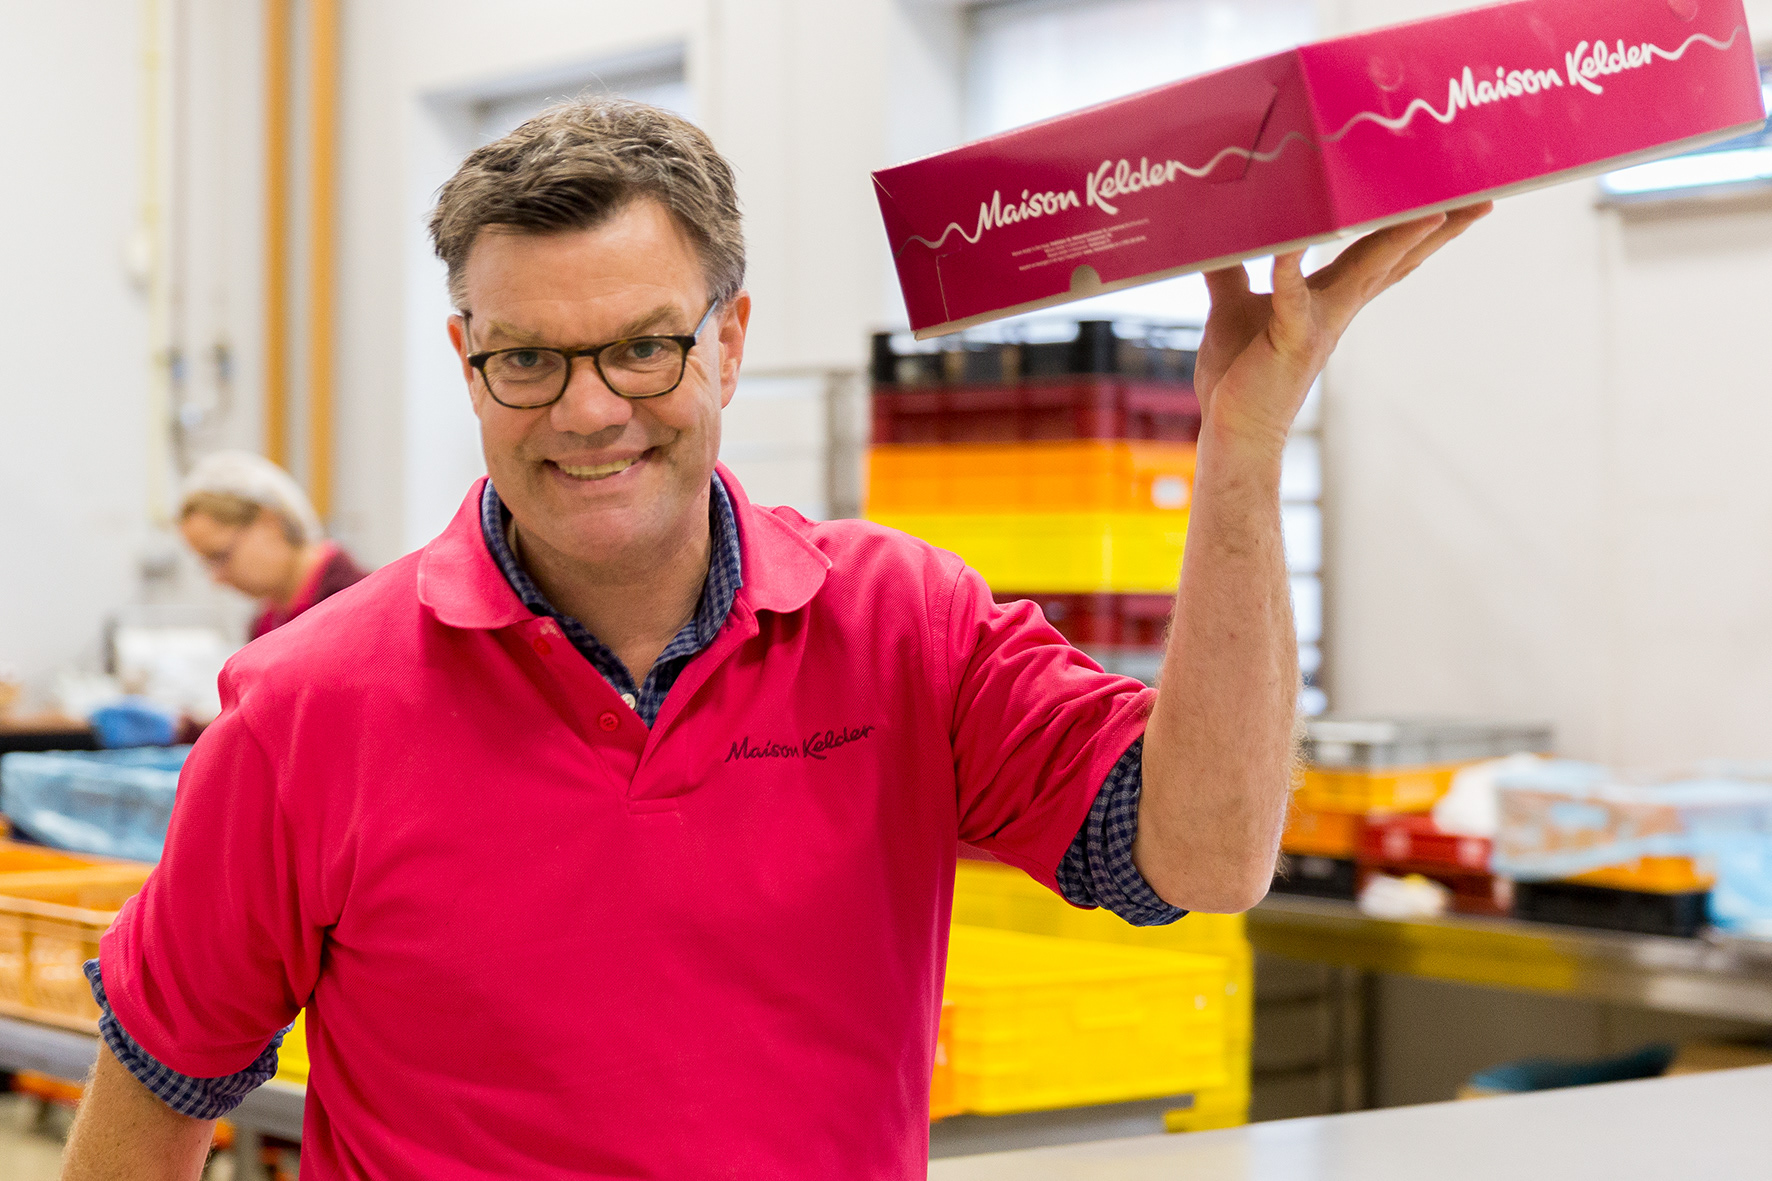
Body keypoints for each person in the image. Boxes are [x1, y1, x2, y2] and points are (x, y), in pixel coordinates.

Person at [63, 98, 1487, 1180]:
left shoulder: (906, 628)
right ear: (468, 363)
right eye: (528, 358)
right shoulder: (308, 704)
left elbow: (1203, 857)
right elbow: (160, 1082)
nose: (587, 410)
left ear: (729, 341)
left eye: (643, 346)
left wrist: (1241, 448)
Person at [176, 451, 367, 640]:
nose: (217, 578)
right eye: (207, 564)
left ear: (269, 522)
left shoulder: (359, 606)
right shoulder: (265, 625)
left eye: (220, 556)